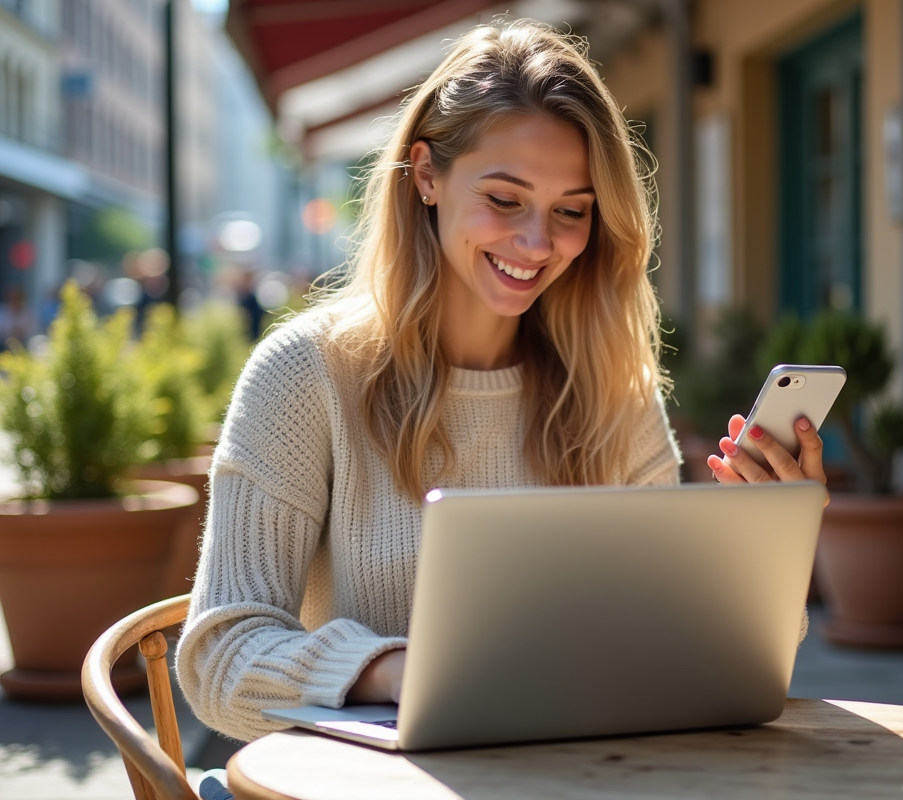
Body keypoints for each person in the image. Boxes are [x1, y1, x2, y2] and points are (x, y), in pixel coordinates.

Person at [176, 19, 827, 745]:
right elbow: (219, 663)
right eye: (506, 200)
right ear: (426, 174)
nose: (537, 244)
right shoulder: (306, 375)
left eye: (571, 211)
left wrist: (765, 551)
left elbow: (680, 656)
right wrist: (402, 672)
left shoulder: (614, 386)